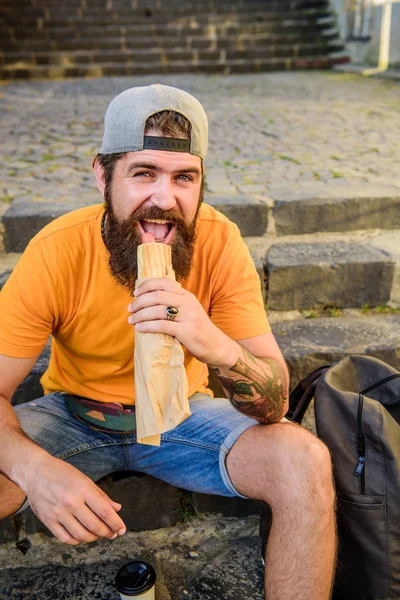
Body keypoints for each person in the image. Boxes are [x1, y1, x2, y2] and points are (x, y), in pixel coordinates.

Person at [0, 84, 336, 599]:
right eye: (143, 174)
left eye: (184, 177)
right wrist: (34, 469)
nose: (164, 199)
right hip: (75, 416)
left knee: (304, 459)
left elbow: (275, 402)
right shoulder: (56, 250)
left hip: (185, 417)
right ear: (101, 175)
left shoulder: (219, 243)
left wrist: (211, 341)